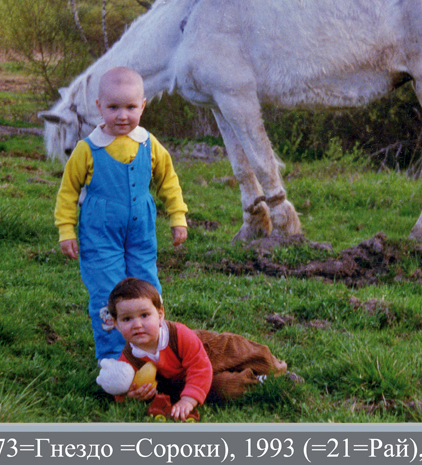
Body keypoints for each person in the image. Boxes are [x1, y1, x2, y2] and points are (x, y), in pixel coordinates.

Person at [55, 66, 189, 362]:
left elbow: (168, 181)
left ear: (143, 106)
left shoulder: (149, 144)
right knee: (108, 292)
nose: (122, 115)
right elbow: (68, 192)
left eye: (130, 107)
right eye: (113, 107)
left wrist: (177, 216)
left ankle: (152, 350)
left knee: (146, 287)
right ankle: (114, 358)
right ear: (99, 107)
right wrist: (66, 230)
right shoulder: (87, 149)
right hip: (100, 234)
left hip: (141, 234)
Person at [98, 277, 291, 422]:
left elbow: (199, 366)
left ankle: (277, 369)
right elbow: (121, 384)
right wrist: (129, 395)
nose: (137, 324)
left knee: (247, 353)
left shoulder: (178, 334)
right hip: (186, 377)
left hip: (210, 350)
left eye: (144, 315)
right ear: (116, 324)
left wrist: (188, 401)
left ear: (160, 314)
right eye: (127, 319)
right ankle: (258, 381)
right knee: (223, 389)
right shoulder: (130, 356)